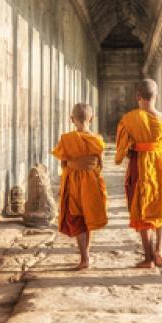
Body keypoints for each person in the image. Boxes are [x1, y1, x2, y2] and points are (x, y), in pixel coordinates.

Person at [115, 78, 162, 268]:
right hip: (161, 166)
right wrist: (158, 159)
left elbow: (122, 149)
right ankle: (160, 251)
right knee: (161, 206)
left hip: (138, 166)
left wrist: (139, 153)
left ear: (138, 97)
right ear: (157, 96)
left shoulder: (128, 119)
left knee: (141, 207)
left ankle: (148, 258)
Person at [51, 103, 108, 270]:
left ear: (71, 119)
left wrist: (74, 167)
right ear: (92, 119)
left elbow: (63, 163)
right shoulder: (97, 140)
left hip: (74, 183)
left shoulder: (66, 139)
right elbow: (101, 165)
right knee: (88, 217)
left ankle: (84, 257)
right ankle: (87, 255)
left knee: (77, 218)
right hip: (91, 183)